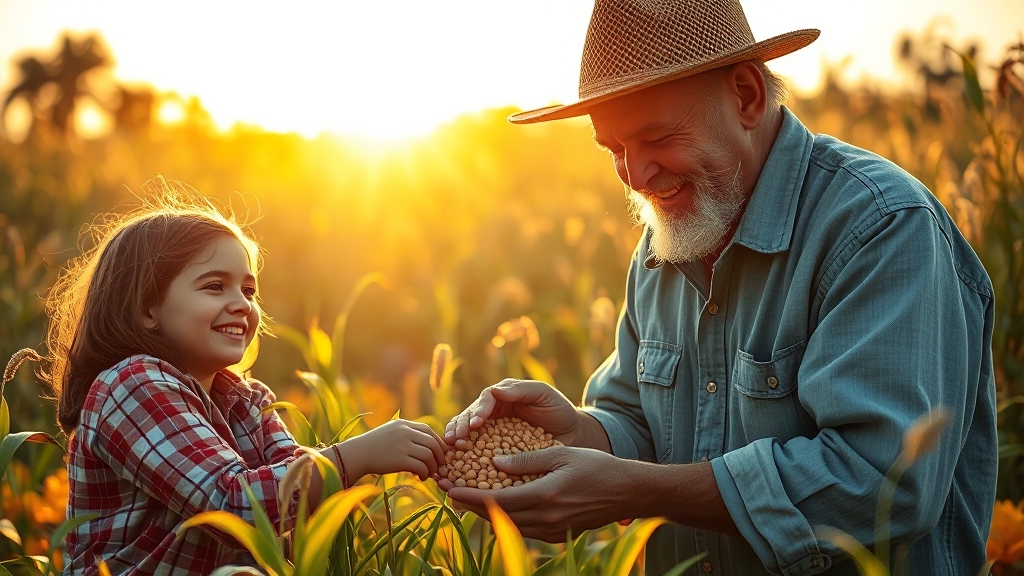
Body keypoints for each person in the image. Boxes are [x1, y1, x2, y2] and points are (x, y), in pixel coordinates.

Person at [440, 0, 997, 574]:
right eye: (613, 150)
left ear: (747, 97)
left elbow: (882, 482)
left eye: (657, 137)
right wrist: (581, 432)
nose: (635, 174)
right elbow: (639, 422)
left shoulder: (878, 229)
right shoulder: (667, 242)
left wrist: (638, 491)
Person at [42, 183, 447, 576]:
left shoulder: (248, 400)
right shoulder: (131, 386)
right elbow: (232, 505)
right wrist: (358, 456)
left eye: (249, 290)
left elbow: (297, 500)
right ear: (149, 307)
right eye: (215, 287)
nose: (241, 304)